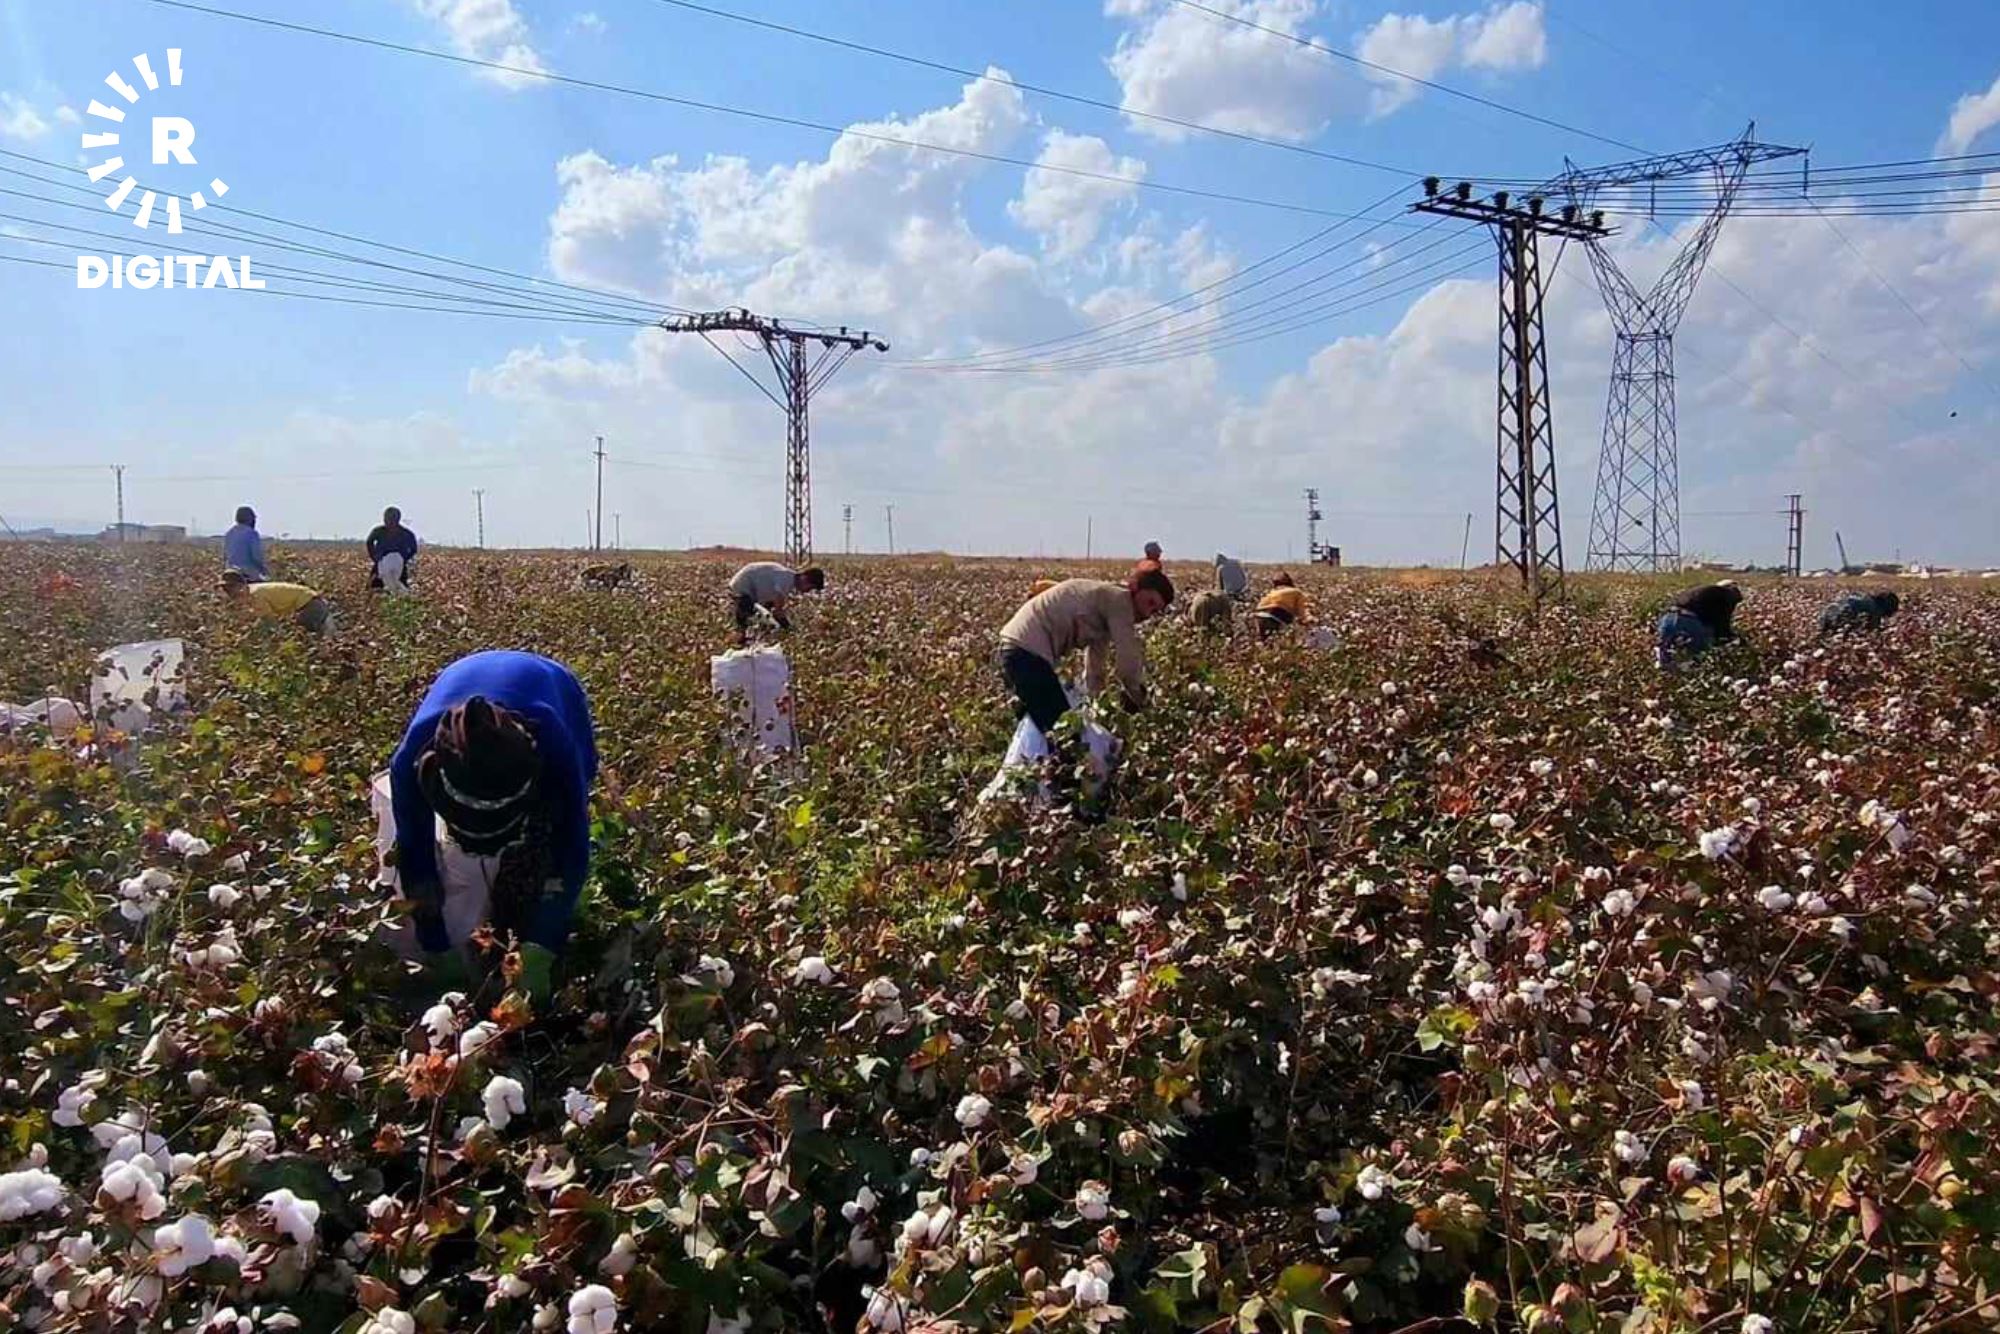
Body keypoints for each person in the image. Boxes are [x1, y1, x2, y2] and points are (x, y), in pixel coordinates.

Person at [387, 651, 597, 1003]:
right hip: (461, 673)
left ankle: (538, 915)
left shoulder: (552, 739)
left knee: (549, 835)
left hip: (554, 683)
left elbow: (573, 843)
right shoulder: (411, 761)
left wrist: (541, 945)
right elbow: (415, 853)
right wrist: (435, 942)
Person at [998, 569, 1175, 739]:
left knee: (1041, 730)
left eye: (1154, 611)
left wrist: (1096, 707)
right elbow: (1127, 664)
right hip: (1026, 654)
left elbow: (1094, 670)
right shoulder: (1120, 600)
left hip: (1014, 651)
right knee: (1066, 734)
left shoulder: (1103, 605)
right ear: (1135, 588)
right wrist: (1141, 704)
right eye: (1149, 603)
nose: (1146, 614)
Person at [729, 561, 826, 643]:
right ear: (804, 578)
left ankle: (746, 640)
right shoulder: (786, 580)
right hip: (743, 584)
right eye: (809, 588)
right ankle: (739, 640)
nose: (807, 591)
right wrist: (789, 629)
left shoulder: (788, 579)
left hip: (751, 587)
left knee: (760, 617)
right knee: (747, 617)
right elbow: (777, 611)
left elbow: (773, 607)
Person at [1657, 579, 1742, 668]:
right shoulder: (1727, 594)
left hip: (1667, 619)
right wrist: (1734, 640)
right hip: (1688, 622)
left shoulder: (1701, 593)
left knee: (1666, 662)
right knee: (1700, 657)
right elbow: (1722, 627)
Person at [221, 569, 334, 635]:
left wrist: (250, 635)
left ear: (241, 586)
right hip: (312, 602)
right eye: (226, 589)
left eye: (231, 588)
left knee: (303, 637)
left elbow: (269, 622)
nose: (229, 592)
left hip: (310, 605)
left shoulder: (255, 595)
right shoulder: (253, 590)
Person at [366, 506, 419, 591]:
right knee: (373, 588)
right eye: (386, 518)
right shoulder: (379, 531)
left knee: (401, 589)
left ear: (397, 519)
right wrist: (375, 557)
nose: (388, 521)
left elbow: (414, 549)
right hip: (381, 563)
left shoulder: (406, 534)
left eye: (391, 518)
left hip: (399, 565)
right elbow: (369, 542)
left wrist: (404, 558)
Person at [1254, 573, 1308, 641]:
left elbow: (1259, 606)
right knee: (1279, 641)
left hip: (1259, 616)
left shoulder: (1272, 592)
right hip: (1277, 615)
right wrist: (1306, 621)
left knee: (1265, 641)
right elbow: (1302, 610)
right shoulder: (1296, 592)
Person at [1820, 590, 1899, 635]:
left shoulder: (1866, 599)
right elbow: (1872, 629)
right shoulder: (1876, 608)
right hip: (1843, 618)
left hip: (1828, 615)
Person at [223, 506, 269, 582]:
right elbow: (256, 556)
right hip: (247, 575)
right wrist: (265, 570)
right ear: (250, 519)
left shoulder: (230, 533)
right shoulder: (251, 533)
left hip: (231, 572)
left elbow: (225, 555)